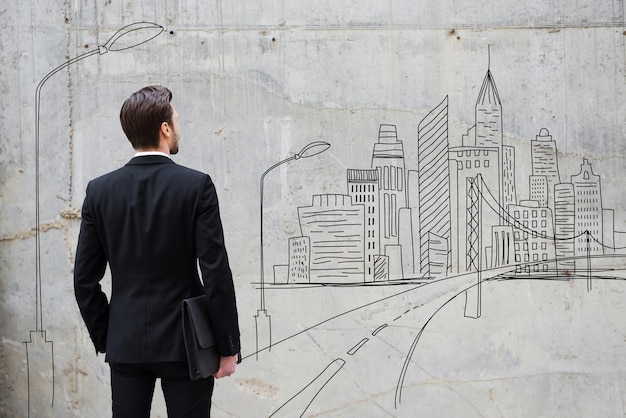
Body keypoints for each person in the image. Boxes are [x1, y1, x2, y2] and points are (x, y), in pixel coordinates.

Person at [74, 85, 240, 417]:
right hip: (186, 346)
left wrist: (109, 334)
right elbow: (215, 271)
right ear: (165, 129)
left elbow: (83, 281)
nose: (179, 127)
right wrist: (227, 346)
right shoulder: (196, 186)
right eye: (176, 120)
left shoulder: (99, 191)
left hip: (126, 343)